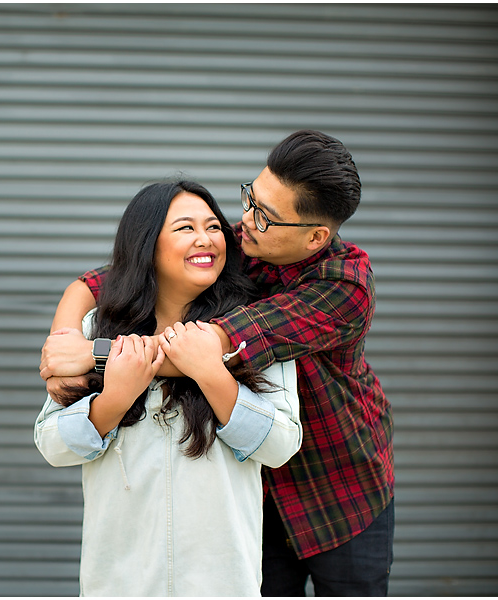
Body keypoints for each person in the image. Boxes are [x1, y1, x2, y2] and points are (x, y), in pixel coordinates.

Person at [39, 130, 394, 596]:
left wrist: (94, 356)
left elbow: (213, 346)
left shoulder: (345, 286)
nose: (244, 221)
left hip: (336, 490)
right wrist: (63, 339)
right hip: (252, 494)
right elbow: (126, 270)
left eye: (265, 216)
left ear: (315, 237)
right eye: (251, 198)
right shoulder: (240, 241)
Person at [34, 180, 302, 596]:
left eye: (214, 227)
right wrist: (115, 399)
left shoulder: (251, 330)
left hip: (222, 584)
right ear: (147, 246)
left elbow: (281, 444)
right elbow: (52, 444)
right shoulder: (96, 330)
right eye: (184, 228)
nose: (206, 239)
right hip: (119, 583)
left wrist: (211, 375)